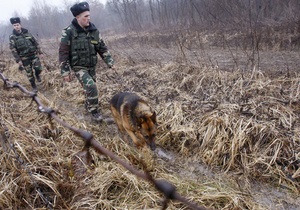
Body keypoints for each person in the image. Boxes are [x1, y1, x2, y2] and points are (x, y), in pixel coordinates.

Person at [59, 1, 114, 122]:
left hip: (91, 66)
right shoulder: (68, 32)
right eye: (85, 16)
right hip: (79, 67)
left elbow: (102, 47)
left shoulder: (93, 30)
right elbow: (63, 52)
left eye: (89, 15)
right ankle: (94, 113)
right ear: (77, 17)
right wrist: (65, 71)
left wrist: (110, 62)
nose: (88, 18)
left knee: (88, 88)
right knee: (91, 87)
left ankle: (88, 104)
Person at [9, 17, 43, 92]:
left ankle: (37, 74)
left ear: (20, 25)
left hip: (33, 54)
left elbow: (35, 42)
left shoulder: (27, 32)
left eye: (17, 25)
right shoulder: (12, 37)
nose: (16, 26)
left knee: (39, 68)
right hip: (24, 58)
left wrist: (40, 52)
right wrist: (18, 60)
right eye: (14, 25)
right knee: (29, 73)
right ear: (13, 26)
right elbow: (13, 49)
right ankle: (34, 86)